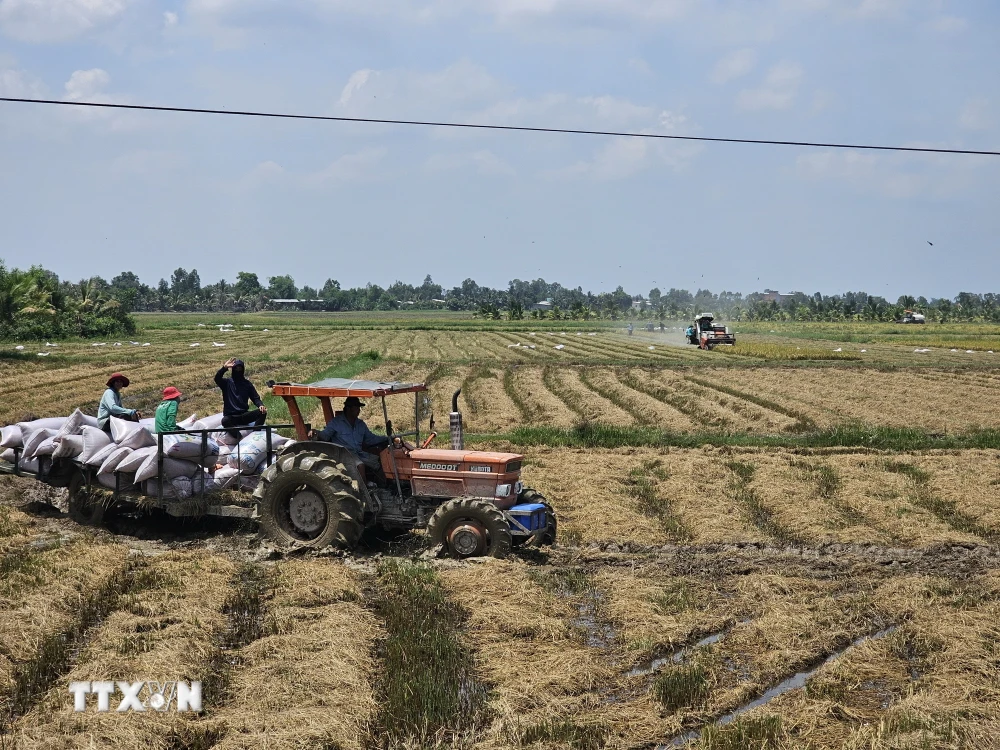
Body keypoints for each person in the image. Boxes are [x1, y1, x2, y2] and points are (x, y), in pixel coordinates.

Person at [313, 396, 389, 482]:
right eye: (356, 407)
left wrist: (387, 438)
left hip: (359, 453)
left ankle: (383, 487)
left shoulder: (360, 424)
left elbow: (370, 439)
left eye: (359, 407)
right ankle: (364, 492)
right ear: (348, 408)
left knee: (382, 462)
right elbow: (325, 435)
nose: (359, 410)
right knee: (360, 465)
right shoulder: (336, 422)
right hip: (344, 454)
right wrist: (316, 433)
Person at [215, 358, 267, 430]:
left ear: (243, 370)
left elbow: (255, 398)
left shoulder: (247, 384)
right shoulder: (226, 383)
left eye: (240, 369)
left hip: (244, 415)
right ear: (233, 369)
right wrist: (224, 368)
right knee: (225, 421)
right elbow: (217, 378)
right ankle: (237, 436)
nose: (238, 371)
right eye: (236, 368)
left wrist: (261, 405)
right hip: (232, 416)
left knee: (262, 412)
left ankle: (255, 432)